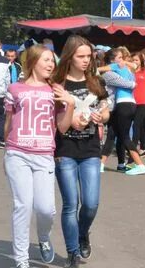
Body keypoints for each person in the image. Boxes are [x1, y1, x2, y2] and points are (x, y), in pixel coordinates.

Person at [5, 44, 77, 268]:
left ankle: (43, 237)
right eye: (46, 60)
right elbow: (8, 123)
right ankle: (21, 261)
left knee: (46, 209)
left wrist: (71, 104)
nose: (50, 64)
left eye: (52, 61)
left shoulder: (55, 90)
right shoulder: (15, 88)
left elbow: (62, 127)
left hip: (44, 154)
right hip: (17, 153)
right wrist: (8, 148)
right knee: (23, 205)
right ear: (33, 61)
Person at [52, 36, 110, 267]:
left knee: (91, 203)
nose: (86, 60)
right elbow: (57, 122)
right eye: (81, 56)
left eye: (89, 56)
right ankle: (72, 253)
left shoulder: (96, 81)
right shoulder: (58, 84)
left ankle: (82, 232)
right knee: (70, 204)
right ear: (69, 56)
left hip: (90, 150)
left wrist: (101, 116)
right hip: (65, 149)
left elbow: (106, 110)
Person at [97, 48, 145, 175]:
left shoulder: (121, 69)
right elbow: (130, 84)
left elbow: (134, 68)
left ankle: (138, 165)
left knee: (119, 136)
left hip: (122, 106)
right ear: (112, 61)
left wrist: (126, 65)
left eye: (122, 57)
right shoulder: (110, 73)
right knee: (116, 135)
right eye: (119, 57)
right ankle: (119, 164)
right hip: (114, 107)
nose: (122, 60)